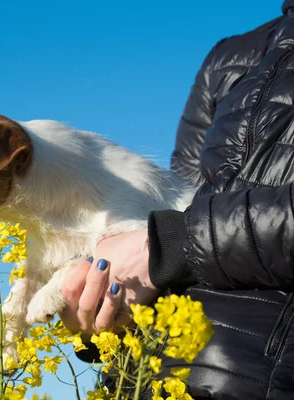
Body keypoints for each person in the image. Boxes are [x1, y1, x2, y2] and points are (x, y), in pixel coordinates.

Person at [60, 2, 294, 398]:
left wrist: (173, 246)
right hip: (145, 380)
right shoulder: (228, 57)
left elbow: (173, 237)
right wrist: (108, 309)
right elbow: (178, 201)